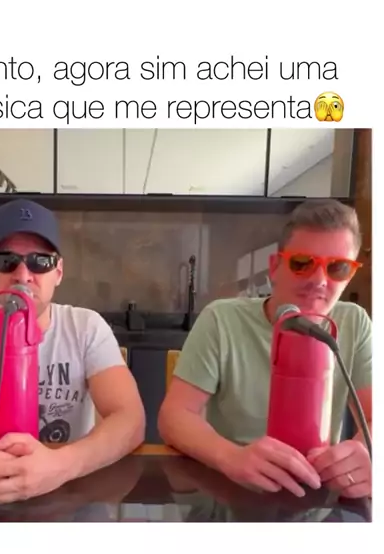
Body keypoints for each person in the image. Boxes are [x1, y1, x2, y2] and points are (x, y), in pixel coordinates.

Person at [0, 199, 145, 504]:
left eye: (40, 261)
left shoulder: (86, 328)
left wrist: (62, 465)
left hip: (69, 495)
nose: (23, 275)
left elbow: (130, 419)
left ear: (58, 272)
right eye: (6, 260)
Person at [158, 199, 372, 500]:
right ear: (274, 267)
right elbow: (174, 416)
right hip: (234, 492)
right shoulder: (221, 319)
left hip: (316, 494)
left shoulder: (354, 322)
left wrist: (364, 453)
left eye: (337, 267)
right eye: (302, 263)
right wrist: (231, 457)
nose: (319, 280)